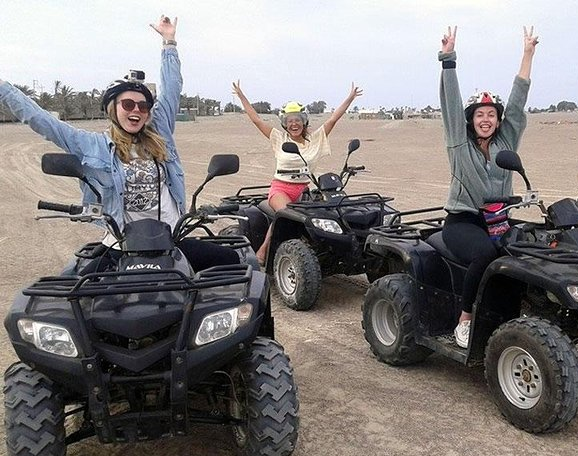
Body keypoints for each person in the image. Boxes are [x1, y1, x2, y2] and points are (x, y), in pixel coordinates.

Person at [0, 15, 240, 273]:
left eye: (143, 106)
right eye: (128, 104)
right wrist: (4, 89)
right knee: (73, 286)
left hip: (171, 239)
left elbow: (171, 89)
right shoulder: (93, 145)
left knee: (232, 262)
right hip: (120, 245)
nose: (136, 110)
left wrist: (169, 42)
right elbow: (45, 122)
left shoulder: (160, 134)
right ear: (113, 109)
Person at [438, 26, 539, 348]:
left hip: (498, 220)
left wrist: (528, 54)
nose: (486, 119)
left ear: (498, 120)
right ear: (470, 120)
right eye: (480, 114)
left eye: (492, 114)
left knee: (533, 248)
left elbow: (518, 99)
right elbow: (451, 103)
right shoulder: (458, 142)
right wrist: (448, 60)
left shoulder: (506, 141)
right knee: (485, 253)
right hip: (463, 221)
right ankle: (465, 320)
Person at [231, 81, 363, 265]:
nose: (294, 124)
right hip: (281, 189)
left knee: (327, 215)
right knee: (285, 214)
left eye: (297, 120)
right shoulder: (279, 138)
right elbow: (256, 120)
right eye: (290, 121)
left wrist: (350, 98)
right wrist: (241, 96)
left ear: (304, 121)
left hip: (303, 191)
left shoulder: (315, 139)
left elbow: (333, 118)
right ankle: (263, 251)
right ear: (285, 124)